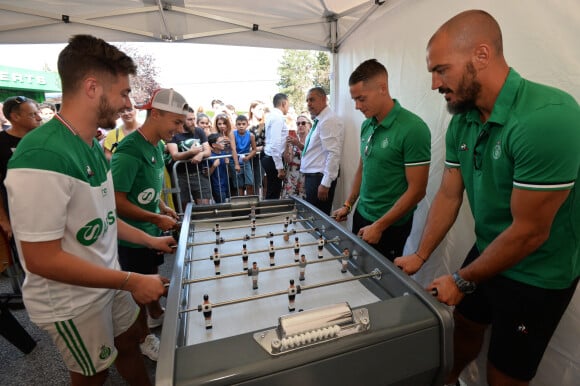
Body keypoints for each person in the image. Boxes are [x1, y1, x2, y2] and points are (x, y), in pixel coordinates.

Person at [394, 10, 580, 386]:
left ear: (481, 56)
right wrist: (421, 254)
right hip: (490, 247)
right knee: (464, 327)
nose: (434, 84)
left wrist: (461, 280)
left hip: (538, 269)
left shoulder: (547, 118)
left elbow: (529, 233)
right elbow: (449, 192)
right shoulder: (462, 119)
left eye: (441, 70)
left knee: (504, 374)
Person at [5, 34, 175, 386]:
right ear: (93, 87)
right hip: (70, 300)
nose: (128, 104)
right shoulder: (43, 154)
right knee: (92, 375)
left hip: (106, 279)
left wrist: (149, 240)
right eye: (124, 92)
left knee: (130, 340)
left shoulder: (92, 145)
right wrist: (130, 279)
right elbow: (40, 259)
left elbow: (105, 216)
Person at [111, 88, 184, 362]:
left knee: (151, 275)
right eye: (175, 122)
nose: (179, 128)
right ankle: (143, 339)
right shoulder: (129, 150)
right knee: (136, 292)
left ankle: (155, 316)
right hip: (131, 238)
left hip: (149, 233)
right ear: (156, 114)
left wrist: (162, 208)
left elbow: (147, 191)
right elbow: (117, 202)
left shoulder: (156, 145)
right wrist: (155, 217)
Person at [332, 59, 431, 262]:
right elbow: (363, 167)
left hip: (390, 225)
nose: (357, 106)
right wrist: (348, 205)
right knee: (356, 272)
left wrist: (379, 226)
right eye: (354, 100)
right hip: (362, 215)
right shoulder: (367, 125)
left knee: (381, 287)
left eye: (362, 98)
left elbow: (417, 191)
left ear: (382, 88)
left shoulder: (413, 128)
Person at [0, 96, 43, 239]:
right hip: (17, 212)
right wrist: (4, 220)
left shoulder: (44, 139)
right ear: (15, 117)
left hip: (46, 206)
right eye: (32, 114)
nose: (39, 117)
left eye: (38, 112)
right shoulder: (1, 142)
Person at [300, 87, 345, 215]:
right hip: (314, 178)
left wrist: (325, 183)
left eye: (312, 100)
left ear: (324, 99)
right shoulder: (320, 120)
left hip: (319, 179)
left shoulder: (328, 120)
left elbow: (333, 153)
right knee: (313, 221)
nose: (309, 104)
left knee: (317, 223)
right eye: (307, 100)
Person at [167, 108, 212, 210]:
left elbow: (208, 150)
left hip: (198, 174)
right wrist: (191, 152)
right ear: (182, 119)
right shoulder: (173, 133)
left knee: (204, 207)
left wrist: (201, 155)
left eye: (194, 119)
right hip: (180, 176)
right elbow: (175, 155)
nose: (193, 122)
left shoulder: (199, 131)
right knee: (184, 209)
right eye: (189, 120)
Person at [263, 93, 290, 199]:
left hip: (271, 157)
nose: (288, 108)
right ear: (284, 103)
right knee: (273, 192)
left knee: (272, 191)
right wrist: (279, 168)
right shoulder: (277, 117)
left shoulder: (271, 116)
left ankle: (268, 214)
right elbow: (275, 144)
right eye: (288, 104)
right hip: (273, 159)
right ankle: (269, 215)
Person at [283, 114, 311, 198]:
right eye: (298, 124)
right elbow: (288, 160)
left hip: (306, 176)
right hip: (292, 176)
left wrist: (297, 144)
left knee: (304, 203)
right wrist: (287, 146)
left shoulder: (312, 140)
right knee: (289, 203)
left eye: (303, 123)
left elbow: (310, 156)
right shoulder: (294, 139)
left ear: (309, 125)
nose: (300, 125)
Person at [233, 114, 256, 196]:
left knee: (250, 183)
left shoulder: (251, 135)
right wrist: (236, 163)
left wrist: (248, 157)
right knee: (239, 185)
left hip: (246, 161)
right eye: (239, 124)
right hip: (236, 161)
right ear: (236, 125)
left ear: (247, 125)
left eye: (243, 124)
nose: (241, 126)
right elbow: (232, 149)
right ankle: (241, 204)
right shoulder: (233, 134)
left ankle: (251, 204)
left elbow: (254, 149)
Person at [248, 100, 267, 197]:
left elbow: (268, 144)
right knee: (248, 185)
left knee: (257, 184)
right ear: (252, 109)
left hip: (260, 159)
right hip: (247, 159)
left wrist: (256, 149)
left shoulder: (265, 125)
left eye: (263, 109)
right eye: (259, 109)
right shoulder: (244, 124)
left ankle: (254, 209)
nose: (262, 111)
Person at [207, 133, 230, 203]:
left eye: (224, 141)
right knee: (221, 206)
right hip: (217, 186)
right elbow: (207, 174)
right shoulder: (210, 156)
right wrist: (213, 166)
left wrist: (227, 164)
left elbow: (228, 171)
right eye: (221, 142)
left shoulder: (224, 153)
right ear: (214, 145)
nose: (223, 144)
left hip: (226, 184)